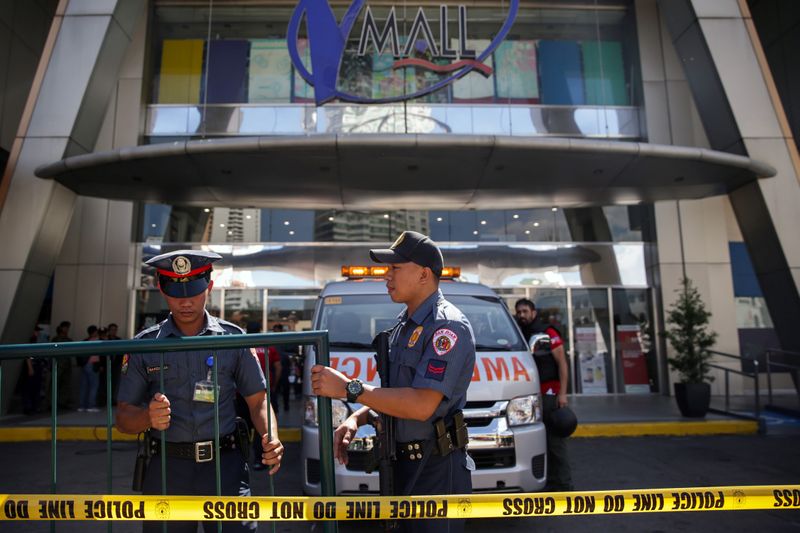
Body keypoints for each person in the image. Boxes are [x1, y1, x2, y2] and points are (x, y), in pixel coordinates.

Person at [312, 231, 475, 533]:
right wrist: (357, 418)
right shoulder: (405, 324)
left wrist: (351, 388)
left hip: (436, 468)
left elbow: (422, 405)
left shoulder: (446, 326)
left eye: (396, 268)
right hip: (401, 462)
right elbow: (394, 393)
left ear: (424, 274)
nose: (387, 275)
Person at [115, 250, 283, 533]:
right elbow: (123, 417)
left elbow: (258, 400)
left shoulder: (232, 339)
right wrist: (147, 417)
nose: (185, 302)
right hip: (167, 470)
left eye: (194, 292)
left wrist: (271, 436)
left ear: (210, 287)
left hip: (224, 469)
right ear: (161, 289)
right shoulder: (145, 345)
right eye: (176, 293)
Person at [514, 298, 574, 491]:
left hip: (549, 393)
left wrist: (562, 394)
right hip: (530, 395)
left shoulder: (548, 333)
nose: (522, 315)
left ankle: (564, 485)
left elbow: (562, 363)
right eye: (519, 312)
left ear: (533, 312)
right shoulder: (519, 333)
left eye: (525, 311)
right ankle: (550, 481)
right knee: (538, 441)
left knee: (555, 441)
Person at [48, 321, 74, 409]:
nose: (66, 329)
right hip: (57, 365)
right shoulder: (56, 339)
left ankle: (62, 402)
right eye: (65, 327)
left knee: (65, 385)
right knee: (54, 384)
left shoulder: (69, 340)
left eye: (67, 328)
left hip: (66, 365)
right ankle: (51, 403)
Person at [78, 326, 101, 413]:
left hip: (85, 365)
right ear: (94, 332)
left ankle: (82, 406)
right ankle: (91, 405)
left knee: (84, 386)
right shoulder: (98, 341)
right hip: (93, 365)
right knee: (94, 386)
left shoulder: (85, 341)